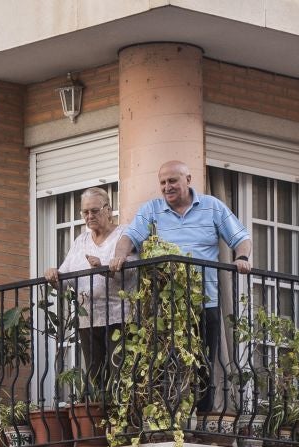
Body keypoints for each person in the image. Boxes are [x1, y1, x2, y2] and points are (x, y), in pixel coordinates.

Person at [105, 161, 253, 412]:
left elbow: (241, 238)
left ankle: (203, 417)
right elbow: (129, 237)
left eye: (172, 181)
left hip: (205, 300)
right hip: (164, 304)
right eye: (162, 182)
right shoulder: (151, 209)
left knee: (204, 361)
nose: (167, 187)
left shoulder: (212, 207)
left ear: (188, 179)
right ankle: (166, 416)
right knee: (163, 360)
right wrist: (119, 255)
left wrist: (242, 258)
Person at [45, 187, 127, 400]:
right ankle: (101, 420)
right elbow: (66, 278)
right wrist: (54, 274)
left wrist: (103, 267)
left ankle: (123, 422)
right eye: (85, 212)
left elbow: (133, 274)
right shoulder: (81, 241)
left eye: (94, 210)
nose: (89, 216)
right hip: (88, 319)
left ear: (108, 209)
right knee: (95, 374)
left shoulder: (123, 235)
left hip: (119, 316)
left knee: (120, 372)